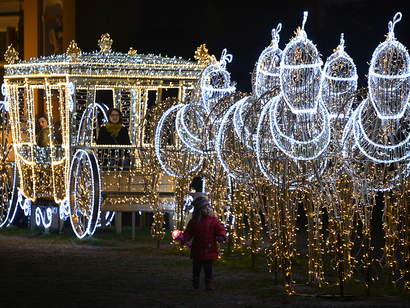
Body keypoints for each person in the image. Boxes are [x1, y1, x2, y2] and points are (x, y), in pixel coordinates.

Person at [182, 196, 226, 290]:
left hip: (210, 249)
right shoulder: (194, 222)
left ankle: (209, 282)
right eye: (205, 208)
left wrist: (221, 236)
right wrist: (185, 238)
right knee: (196, 267)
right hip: (197, 250)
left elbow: (220, 229)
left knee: (208, 268)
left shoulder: (214, 221)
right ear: (199, 211)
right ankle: (196, 279)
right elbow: (189, 232)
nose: (208, 209)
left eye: (209, 207)